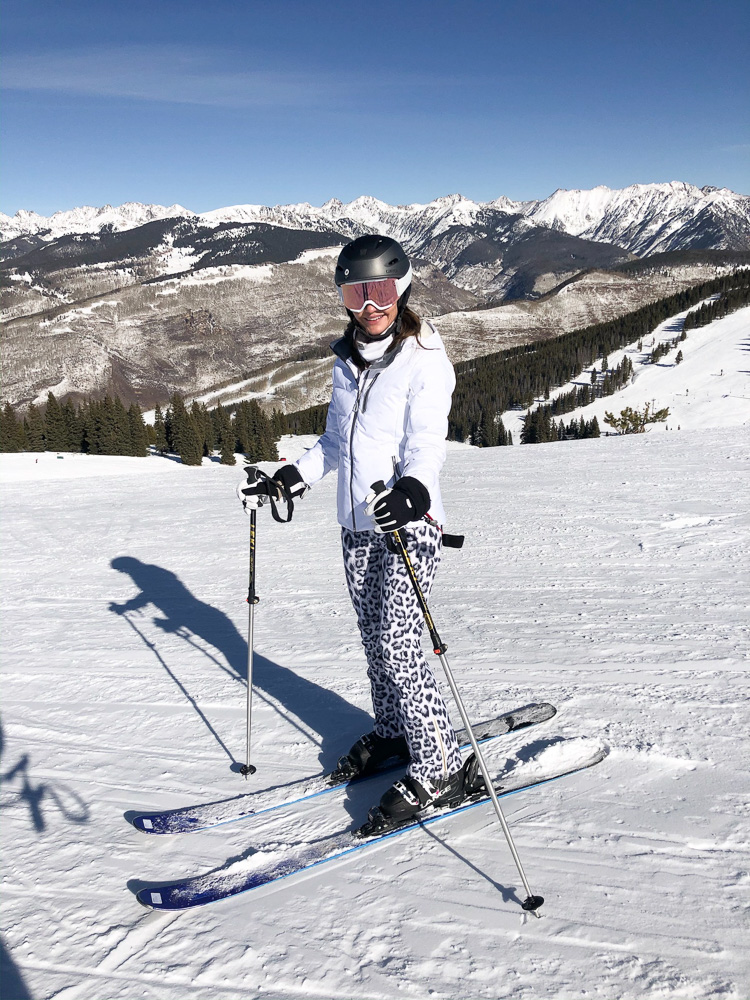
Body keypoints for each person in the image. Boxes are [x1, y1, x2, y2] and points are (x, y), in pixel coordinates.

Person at [240, 234, 470, 824]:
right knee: (375, 642)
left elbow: (426, 445)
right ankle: (394, 735)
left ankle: (440, 767)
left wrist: (413, 491)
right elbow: (335, 444)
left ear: (403, 289)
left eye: (381, 291)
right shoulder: (345, 361)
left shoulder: (424, 360)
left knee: (398, 642)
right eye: (356, 291)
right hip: (357, 526)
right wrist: (292, 476)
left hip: (408, 524)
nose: (370, 305)